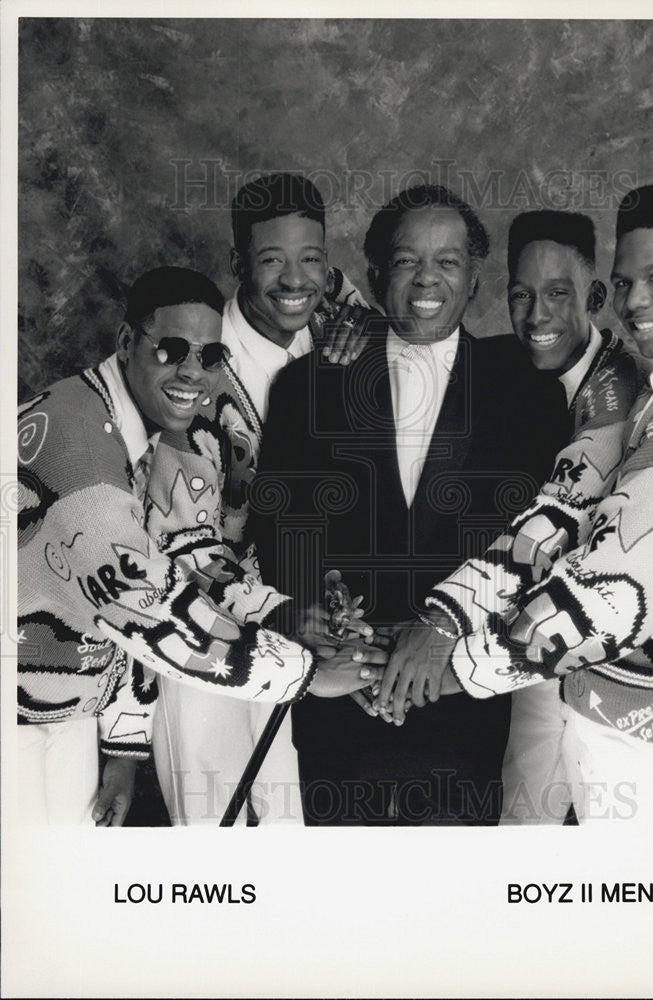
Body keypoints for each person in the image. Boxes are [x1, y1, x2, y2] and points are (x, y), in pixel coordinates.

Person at [442, 183, 653, 824]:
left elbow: (605, 597)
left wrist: (448, 666)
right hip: (638, 728)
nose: (635, 302)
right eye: (625, 283)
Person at [17, 266, 383, 826]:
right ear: (125, 342)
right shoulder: (77, 441)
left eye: (211, 356)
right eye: (170, 349)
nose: (193, 372)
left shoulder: (144, 429)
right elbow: (142, 604)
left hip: (62, 707)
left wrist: (289, 618)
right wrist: (304, 673)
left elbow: (186, 557)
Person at [254, 184, 569, 824]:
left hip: (464, 701)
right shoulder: (305, 385)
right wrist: (326, 615)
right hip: (339, 697)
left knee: (455, 906)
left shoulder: (527, 393)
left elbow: (542, 541)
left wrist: (444, 639)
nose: (427, 279)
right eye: (406, 262)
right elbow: (278, 529)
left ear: (475, 278)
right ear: (375, 275)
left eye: (448, 262)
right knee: (339, 903)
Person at [389, 210, 644, 823]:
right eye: (522, 295)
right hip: (523, 641)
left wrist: (444, 619)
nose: (537, 317)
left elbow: (559, 507)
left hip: (618, 653)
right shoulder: (512, 360)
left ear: (596, 296)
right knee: (521, 822)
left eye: (559, 294)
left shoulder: (618, 387)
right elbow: (416, 324)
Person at [148, 173, 377, 825]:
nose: (296, 280)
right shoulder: (190, 370)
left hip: (317, 632)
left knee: (296, 841)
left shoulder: (347, 330)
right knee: (220, 840)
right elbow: (185, 548)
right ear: (237, 263)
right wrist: (283, 610)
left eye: (311, 258)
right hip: (207, 636)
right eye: (272, 260)